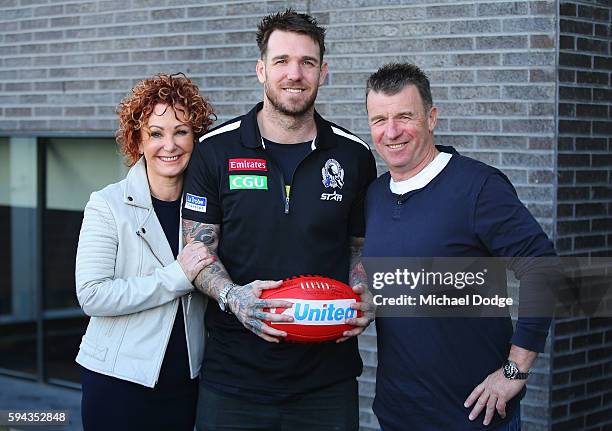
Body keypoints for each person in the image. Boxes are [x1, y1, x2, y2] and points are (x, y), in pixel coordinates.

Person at [181, 9, 377, 431]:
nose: (295, 74)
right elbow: (196, 251)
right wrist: (236, 299)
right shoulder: (214, 151)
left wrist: (364, 292)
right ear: (260, 69)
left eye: (307, 62)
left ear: (323, 72)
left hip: (327, 380)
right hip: (234, 380)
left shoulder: (353, 155)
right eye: (282, 61)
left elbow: (361, 247)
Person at [363, 63, 556, 430]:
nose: (391, 132)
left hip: (472, 417)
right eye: (379, 120)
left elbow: (542, 267)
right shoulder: (374, 196)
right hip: (397, 413)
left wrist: (515, 370)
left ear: (431, 117)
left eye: (405, 116)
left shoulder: (477, 187)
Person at [75, 73, 216, 431]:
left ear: (195, 137)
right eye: (156, 133)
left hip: (188, 384)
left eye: (181, 131)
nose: (169, 145)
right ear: (137, 139)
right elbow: (92, 295)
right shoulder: (107, 205)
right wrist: (176, 277)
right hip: (118, 382)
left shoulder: (208, 209)